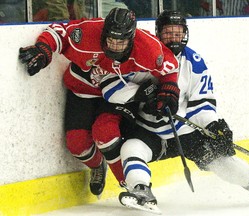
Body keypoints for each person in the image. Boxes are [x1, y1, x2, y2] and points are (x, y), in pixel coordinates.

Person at [111, 10, 249, 212]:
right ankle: (141, 191)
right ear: (158, 33)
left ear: (185, 33)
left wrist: (214, 125)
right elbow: (112, 88)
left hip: (186, 133)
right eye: (168, 33)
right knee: (131, 149)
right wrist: (139, 94)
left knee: (229, 165)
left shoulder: (193, 61)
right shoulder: (142, 55)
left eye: (177, 33)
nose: (173, 38)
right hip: (149, 132)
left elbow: (201, 103)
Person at [18, 7, 179, 198]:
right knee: (77, 143)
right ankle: (97, 165)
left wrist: (169, 89)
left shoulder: (148, 48)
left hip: (118, 93)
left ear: (132, 38)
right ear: (104, 34)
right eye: (110, 40)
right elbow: (57, 32)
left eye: (121, 43)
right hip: (82, 90)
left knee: (105, 133)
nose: (114, 47)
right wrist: (44, 49)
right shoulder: (87, 33)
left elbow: (170, 68)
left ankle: (133, 188)